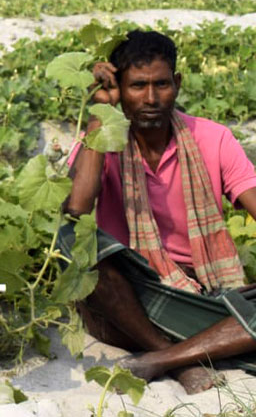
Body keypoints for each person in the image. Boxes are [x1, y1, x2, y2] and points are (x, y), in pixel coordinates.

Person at [63, 30, 256, 394]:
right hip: (132, 298)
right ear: (120, 89)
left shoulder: (213, 138)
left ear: (177, 84)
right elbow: (76, 207)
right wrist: (99, 115)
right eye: (137, 86)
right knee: (86, 258)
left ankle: (160, 358)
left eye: (161, 84)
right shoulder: (104, 140)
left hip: (206, 292)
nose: (150, 98)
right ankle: (178, 352)